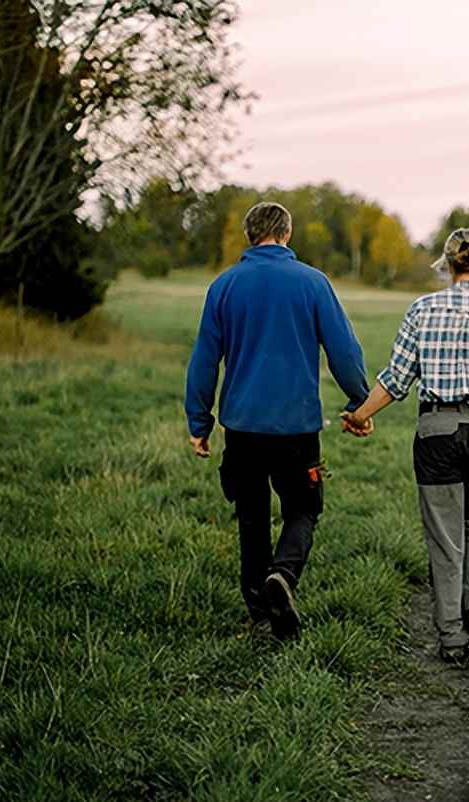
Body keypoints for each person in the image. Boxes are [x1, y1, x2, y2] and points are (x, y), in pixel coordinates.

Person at [342, 228, 469, 661]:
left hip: (437, 433)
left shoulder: (423, 309)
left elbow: (395, 380)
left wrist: (360, 415)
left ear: (447, 266)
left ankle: (452, 636)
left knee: (445, 536)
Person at [185, 201, 371, 641]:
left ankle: (260, 614)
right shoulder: (313, 282)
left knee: (251, 516)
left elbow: (204, 360)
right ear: (286, 235)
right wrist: (360, 402)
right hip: (297, 428)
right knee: (304, 508)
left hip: (242, 426)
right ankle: (283, 577)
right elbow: (343, 351)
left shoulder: (224, 286)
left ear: (250, 236)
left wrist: (199, 422)